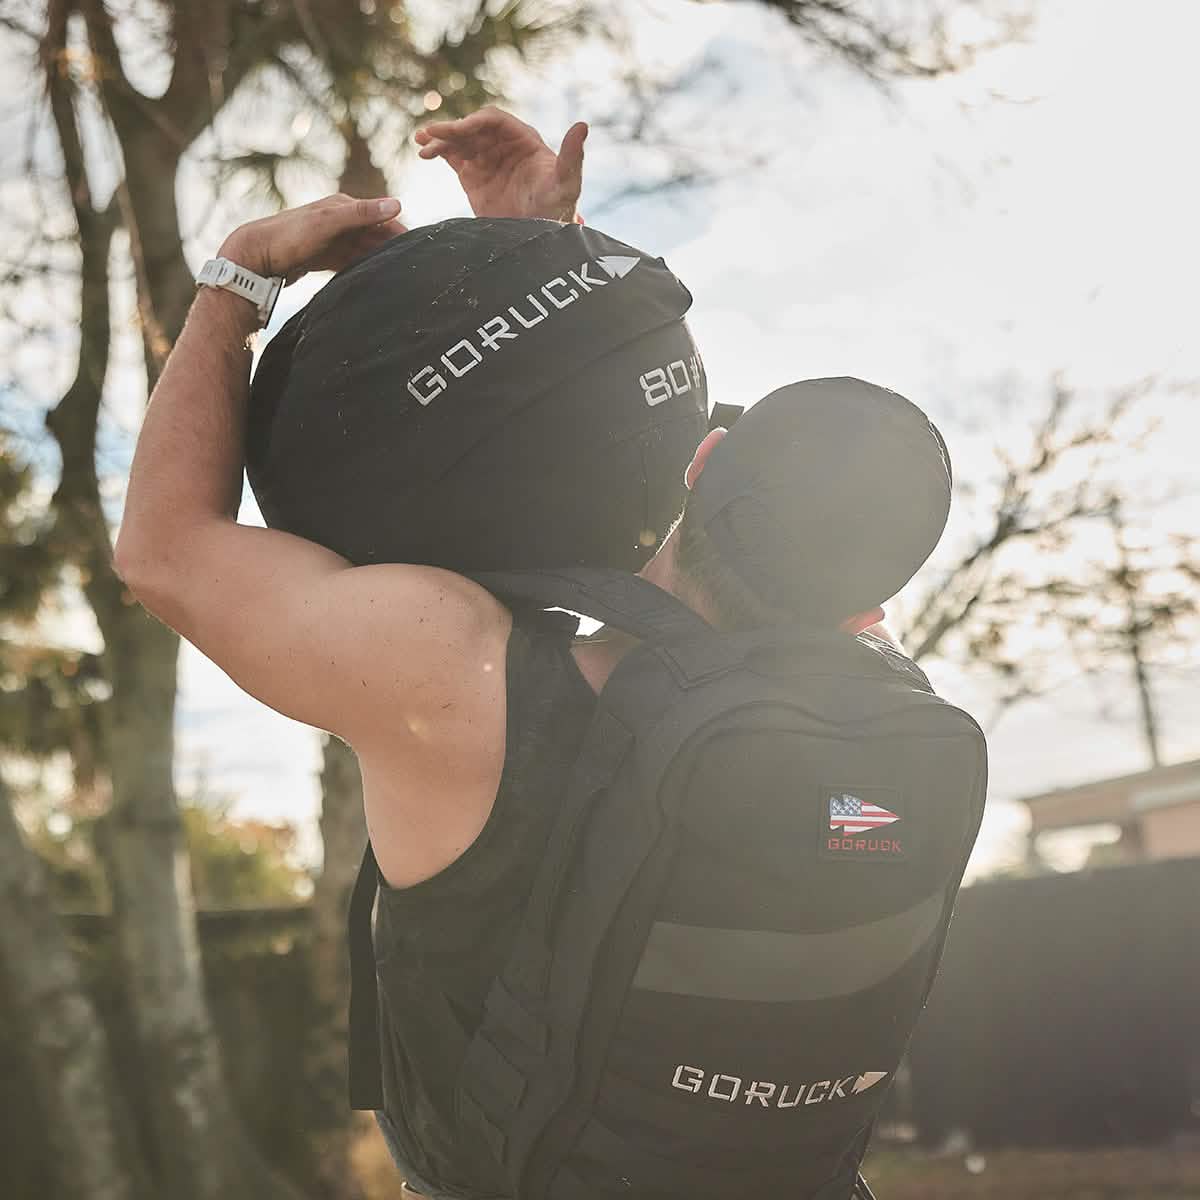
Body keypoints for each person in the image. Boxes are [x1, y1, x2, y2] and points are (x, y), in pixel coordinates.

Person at [115, 109, 976, 1199]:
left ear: (708, 457)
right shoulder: (888, 698)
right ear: (877, 586)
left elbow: (163, 552)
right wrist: (533, 264)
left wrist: (236, 279)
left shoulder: (469, 688)